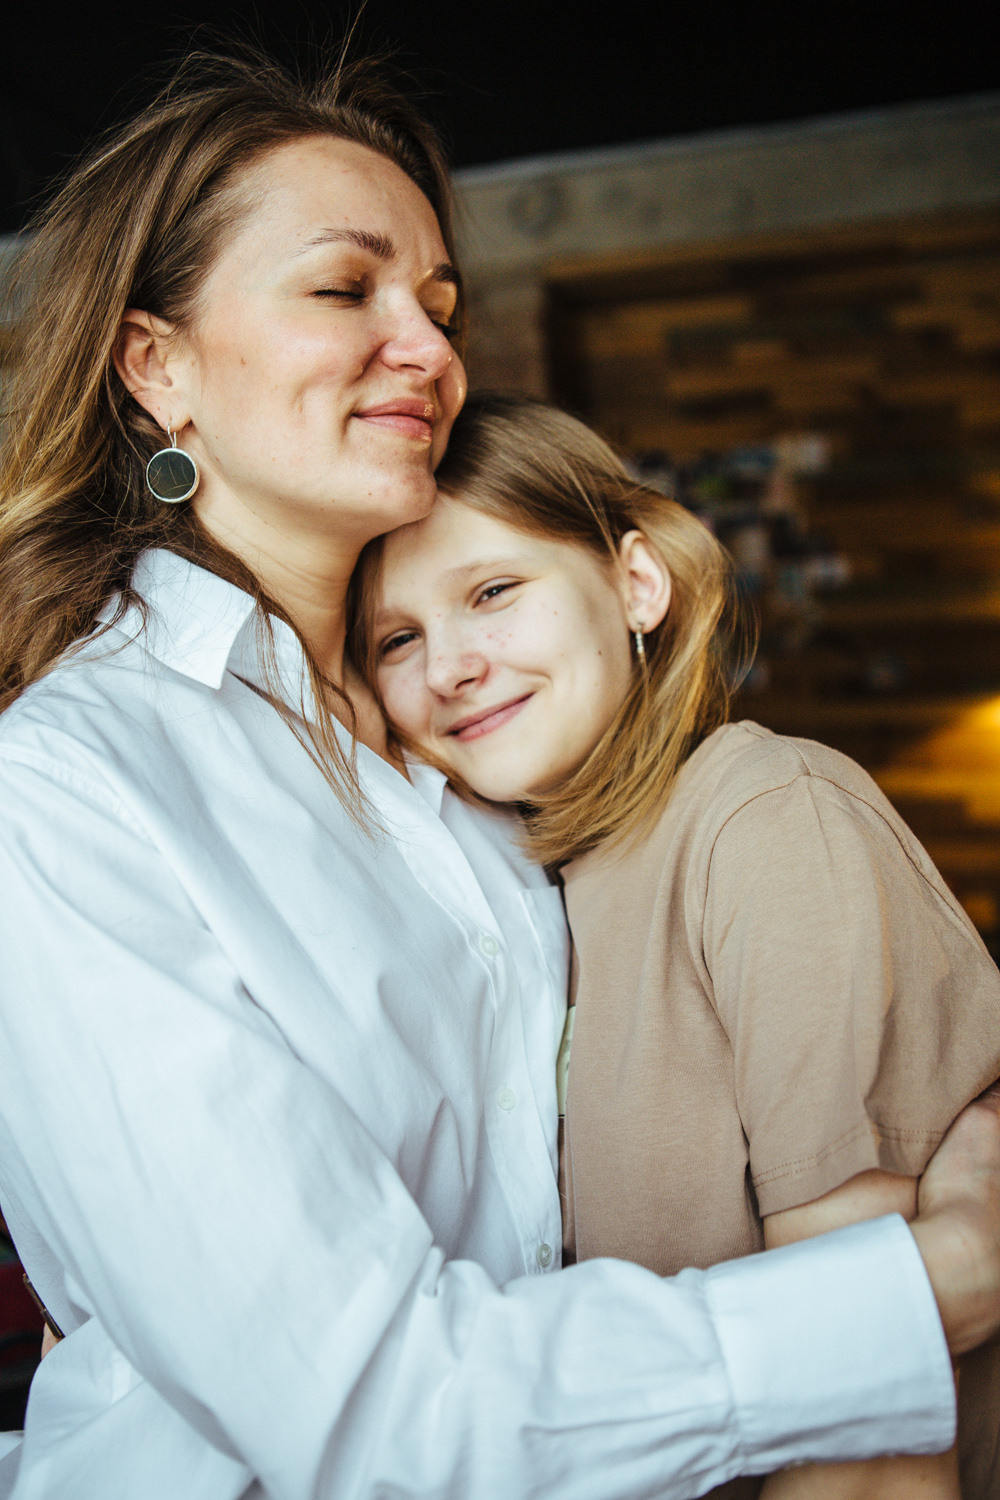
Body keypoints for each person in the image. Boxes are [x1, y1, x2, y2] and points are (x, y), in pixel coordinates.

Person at [0, 51, 998, 1500]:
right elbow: (370, 1407)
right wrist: (937, 1287)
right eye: (347, 291)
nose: (427, 348)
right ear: (156, 366)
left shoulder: (458, 766)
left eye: (440, 306)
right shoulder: (72, 784)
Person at [357, 392, 1000, 1499]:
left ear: (634, 586)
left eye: (495, 592)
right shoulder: (524, 891)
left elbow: (868, 1425)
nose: (451, 665)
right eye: (399, 639)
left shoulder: (763, 817)